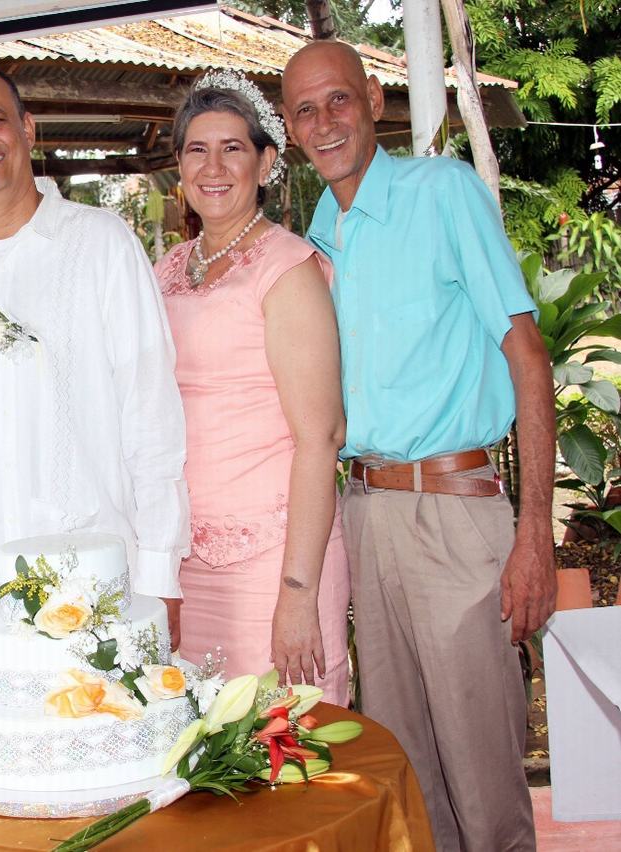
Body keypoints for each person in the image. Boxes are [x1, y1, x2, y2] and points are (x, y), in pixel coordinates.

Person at [281, 41, 556, 852]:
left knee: (483, 779)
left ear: (371, 98)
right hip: (364, 519)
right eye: (303, 110)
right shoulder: (316, 240)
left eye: (337, 100)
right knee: (404, 772)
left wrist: (534, 534)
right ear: (290, 131)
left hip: (453, 512)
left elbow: (527, 357)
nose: (323, 122)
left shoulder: (441, 192)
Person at [0, 67, 189, 646]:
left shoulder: (102, 244)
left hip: (96, 578)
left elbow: (151, 414)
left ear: (28, 130)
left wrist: (160, 572)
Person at [157, 71, 349, 704]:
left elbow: (321, 437)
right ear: (179, 166)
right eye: (196, 150)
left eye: (233, 148)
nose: (213, 167)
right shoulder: (164, 271)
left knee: (286, 753)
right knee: (196, 763)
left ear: (265, 162)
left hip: (274, 561)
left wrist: (296, 595)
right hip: (185, 564)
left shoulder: (286, 267)